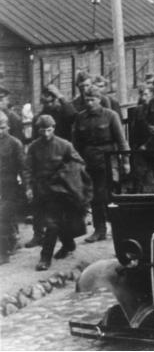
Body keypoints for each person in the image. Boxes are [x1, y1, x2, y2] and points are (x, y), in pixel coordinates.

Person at [26, 115, 90, 271]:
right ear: (38, 130)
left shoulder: (64, 145)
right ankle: (68, 245)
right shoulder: (34, 147)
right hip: (42, 190)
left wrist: (63, 174)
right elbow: (28, 169)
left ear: (53, 128)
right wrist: (28, 187)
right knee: (55, 222)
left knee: (52, 223)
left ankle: (45, 258)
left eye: (49, 130)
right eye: (42, 130)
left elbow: (79, 163)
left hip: (61, 191)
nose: (46, 134)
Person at [72, 86, 130, 242]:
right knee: (94, 197)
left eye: (93, 99)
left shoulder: (111, 116)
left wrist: (125, 162)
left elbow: (121, 141)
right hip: (88, 162)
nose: (89, 103)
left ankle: (118, 228)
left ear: (99, 99)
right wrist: (76, 163)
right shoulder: (80, 118)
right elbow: (76, 144)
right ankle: (100, 229)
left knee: (106, 196)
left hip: (107, 162)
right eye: (87, 100)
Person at [0, 111, 28, 263]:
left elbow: (23, 167)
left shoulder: (14, 143)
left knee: (4, 215)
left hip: (9, 184)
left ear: (8, 127)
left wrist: (27, 186)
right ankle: (11, 240)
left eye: (2, 127)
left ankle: (5, 251)